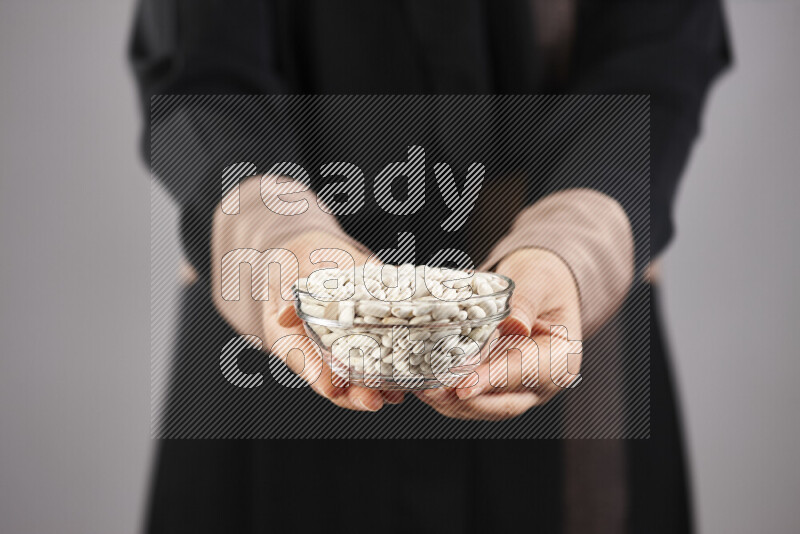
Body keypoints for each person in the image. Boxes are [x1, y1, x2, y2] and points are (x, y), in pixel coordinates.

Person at [130, 1, 730, 532]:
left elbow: (659, 56)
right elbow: (198, 77)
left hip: (550, 327)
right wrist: (277, 238)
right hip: (285, 332)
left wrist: (573, 245)